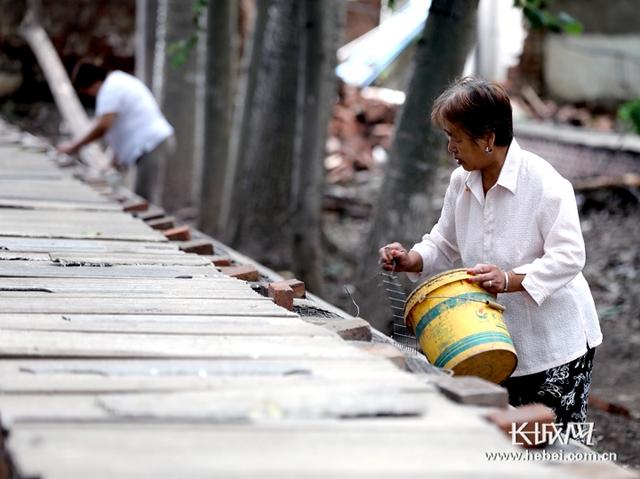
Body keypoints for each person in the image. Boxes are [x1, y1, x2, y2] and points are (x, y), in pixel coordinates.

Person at [379, 77, 602, 428]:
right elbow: (444, 242)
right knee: (502, 437)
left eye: (456, 136)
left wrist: (510, 279)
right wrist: (412, 259)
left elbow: (570, 256)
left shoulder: (545, 183)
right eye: (448, 136)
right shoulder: (462, 181)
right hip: (491, 339)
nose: (450, 146)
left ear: (487, 138)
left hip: (555, 343)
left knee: (552, 445)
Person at [57, 62, 174, 203]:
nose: (91, 95)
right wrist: (114, 159)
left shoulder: (110, 89)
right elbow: (122, 126)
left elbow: (103, 126)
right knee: (140, 197)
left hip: (152, 145)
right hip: (154, 143)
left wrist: (74, 146)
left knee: (144, 200)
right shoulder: (118, 81)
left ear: (94, 84)